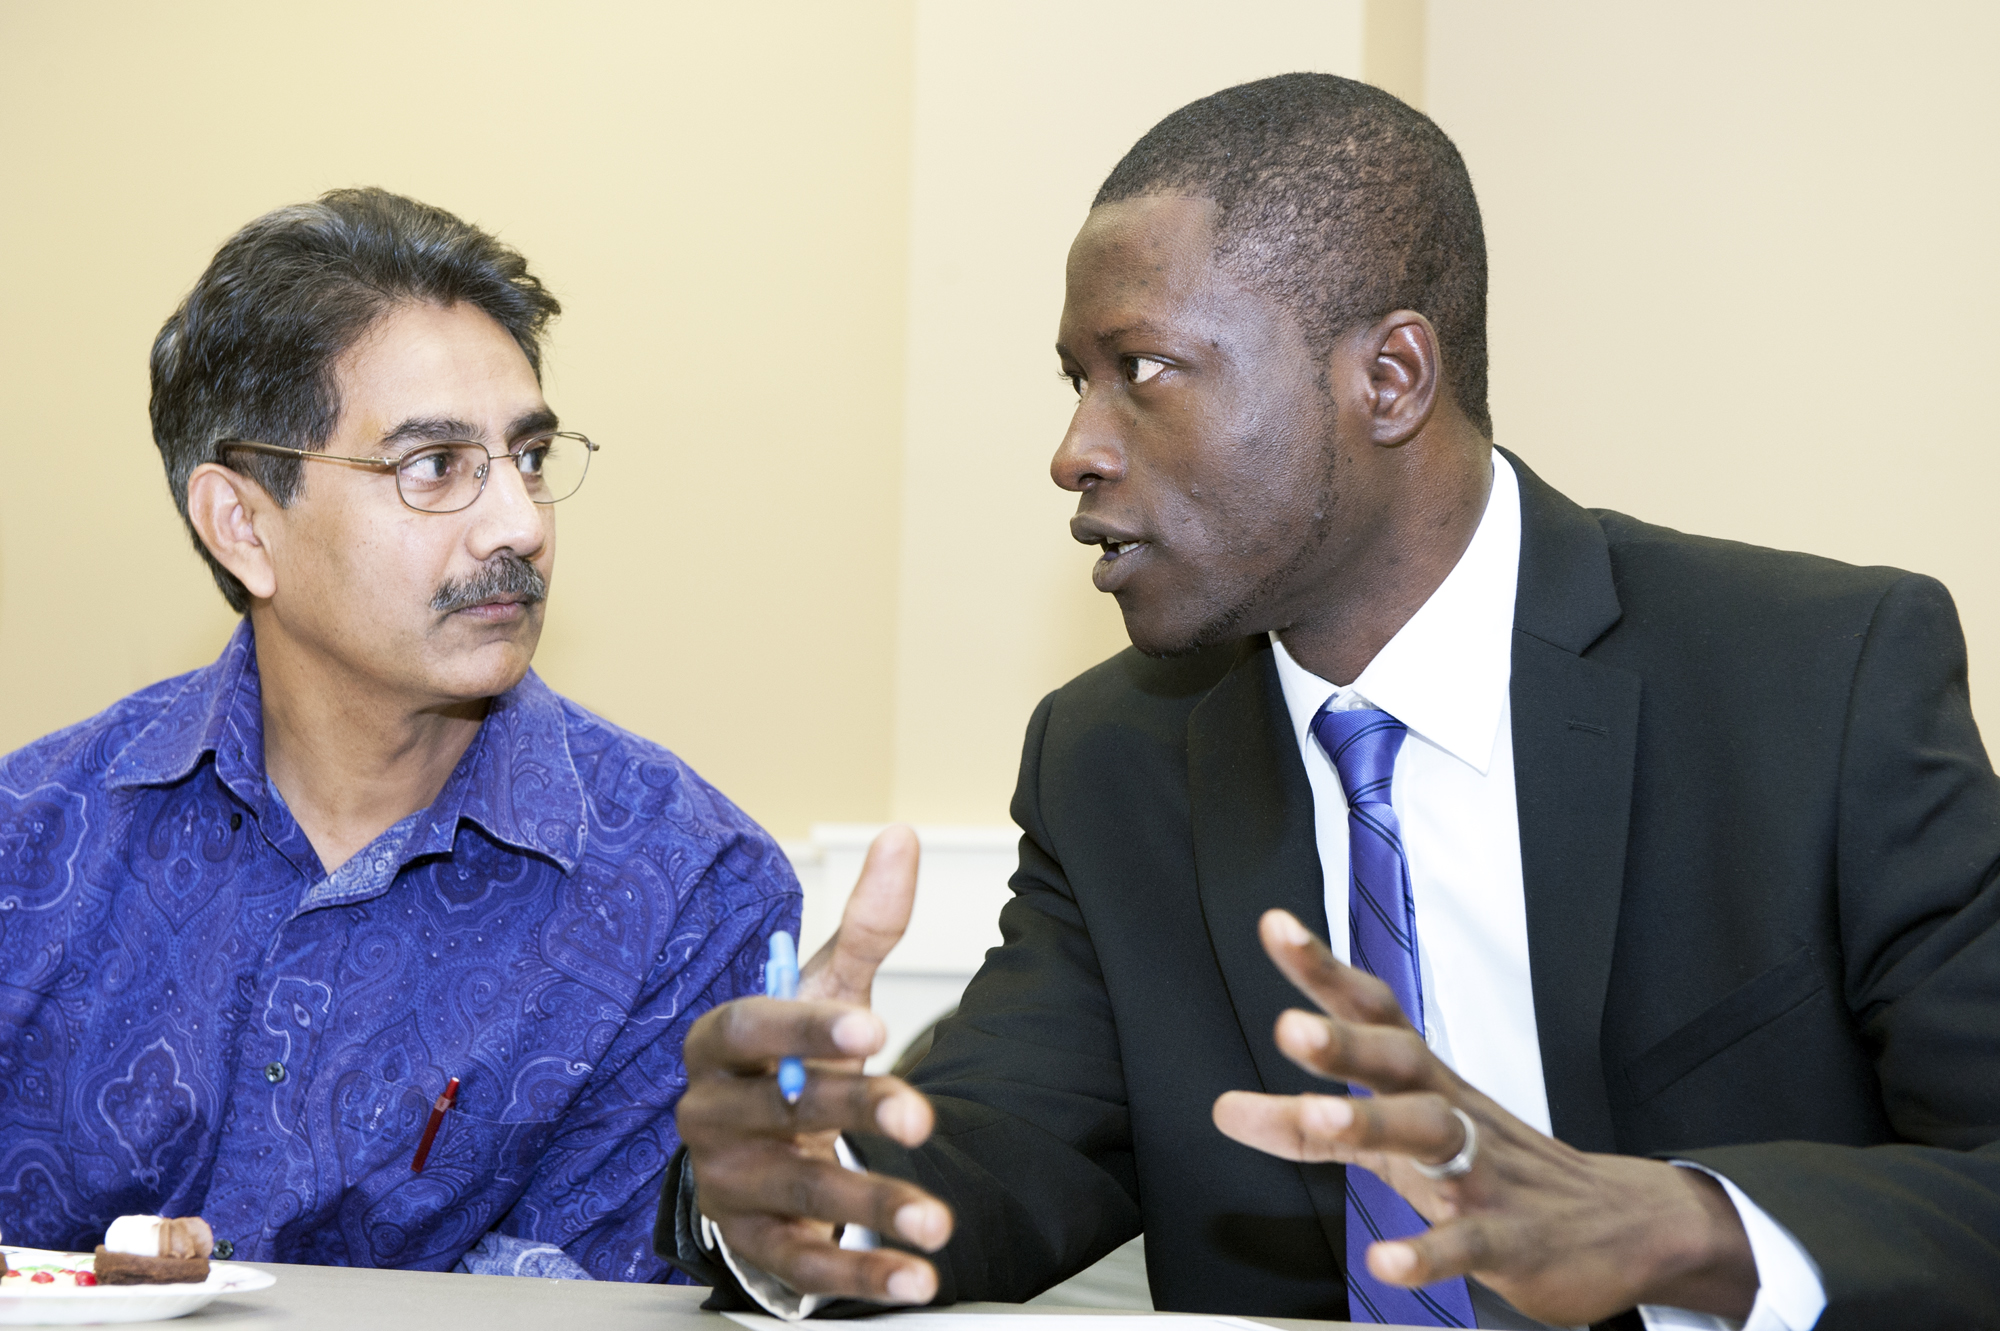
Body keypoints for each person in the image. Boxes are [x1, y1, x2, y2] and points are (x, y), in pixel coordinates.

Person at [661, 75, 2000, 1328]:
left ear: (1391, 379)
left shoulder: (1816, 680)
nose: (1076, 446)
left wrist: (1692, 1222)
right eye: (1074, 377)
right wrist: (803, 1171)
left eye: (1143, 368)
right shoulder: (1113, 754)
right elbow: (1001, 1145)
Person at [0, 188, 804, 1281]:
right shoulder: (28, 846)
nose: (519, 521)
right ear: (243, 525)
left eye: (527, 455)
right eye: (434, 466)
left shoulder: (683, 889)